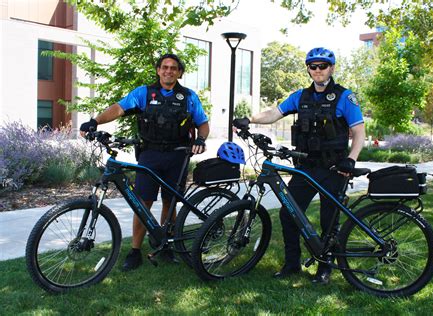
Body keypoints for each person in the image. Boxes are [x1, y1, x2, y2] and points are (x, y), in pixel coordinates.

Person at [233, 47, 365, 285]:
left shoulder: (345, 97)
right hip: (305, 168)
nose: (317, 70)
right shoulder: (300, 97)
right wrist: (249, 119)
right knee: (288, 213)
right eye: (313, 66)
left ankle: (325, 268)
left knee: (329, 220)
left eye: (322, 66)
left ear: (331, 68)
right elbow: (274, 113)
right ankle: (291, 263)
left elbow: (359, 132)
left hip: (335, 168)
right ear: (308, 69)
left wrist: (351, 159)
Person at [79, 53, 209, 271]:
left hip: (178, 156)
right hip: (150, 155)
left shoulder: (188, 96)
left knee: (170, 202)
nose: (169, 71)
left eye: (173, 68)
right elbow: (118, 108)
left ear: (179, 72)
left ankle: (166, 244)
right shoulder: (144, 93)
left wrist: (201, 138)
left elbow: (202, 123)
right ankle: (135, 251)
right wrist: (95, 121)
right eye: (165, 67)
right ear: (158, 70)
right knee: (143, 203)